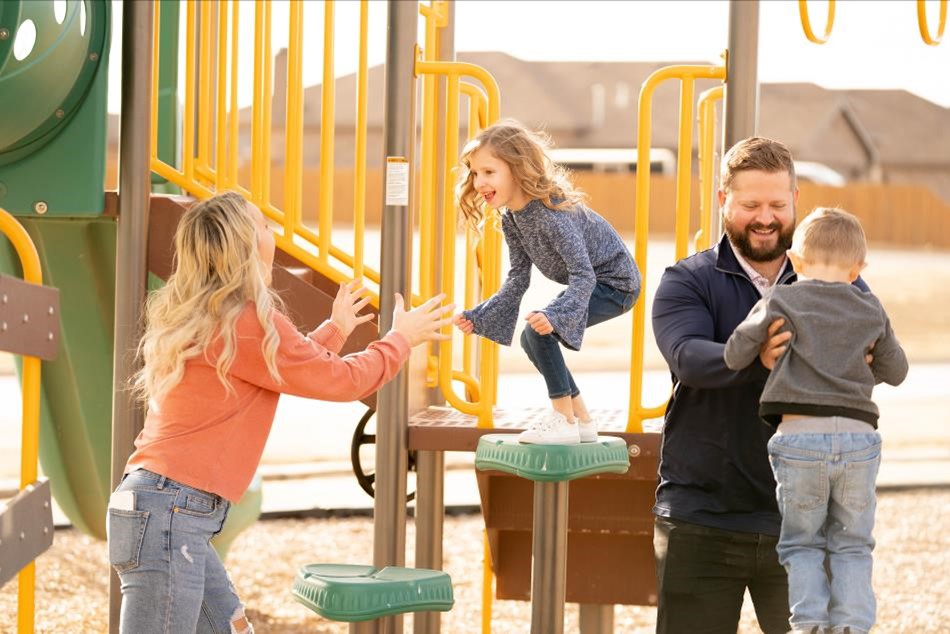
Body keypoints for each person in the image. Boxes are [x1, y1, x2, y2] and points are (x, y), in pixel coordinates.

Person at [106, 191, 453, 633]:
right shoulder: (247, 320)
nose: (273, 232)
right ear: (248, 245)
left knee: (231, 627)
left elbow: (287, 366)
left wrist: (336, 329)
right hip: (171, 513)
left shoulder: (216, 315)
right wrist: (400, 340)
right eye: (265, 225)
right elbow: (343, 381)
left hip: (161, 508)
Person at [650, 137, 873, 633]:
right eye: (750, 205)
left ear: (796, 199)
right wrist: (761, 358)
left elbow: (871, 352)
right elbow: (688, 358)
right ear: (724, 201)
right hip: (702, 514)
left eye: (777, 203)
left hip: (807, 519)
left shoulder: (842, 281)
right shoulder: (686, 281)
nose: (765, 217)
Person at [724, 207, 907, 634]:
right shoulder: (870, 307)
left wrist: (766, 348)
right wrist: (858, 368)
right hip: (860, 439)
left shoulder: (781, 298)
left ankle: (809, 625)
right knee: (853, 543)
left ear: (796, 262)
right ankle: (851, 626)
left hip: (800, 437)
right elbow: (896, 371)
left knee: (802, 542)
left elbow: (734, 354)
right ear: (857, 269)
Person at [451, 120, 640, 444]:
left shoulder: (551, 215)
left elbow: (584, 274)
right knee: (532, 338)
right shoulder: (512, 217)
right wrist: (480, 315)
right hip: (591, 283)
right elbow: (518, 277)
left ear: (517, 168)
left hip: (616, 285)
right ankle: (580, 419)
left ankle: (563, 421)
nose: (478, 182)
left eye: (488, 172)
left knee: (538, 334)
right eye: (474, 173)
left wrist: (555, 316)